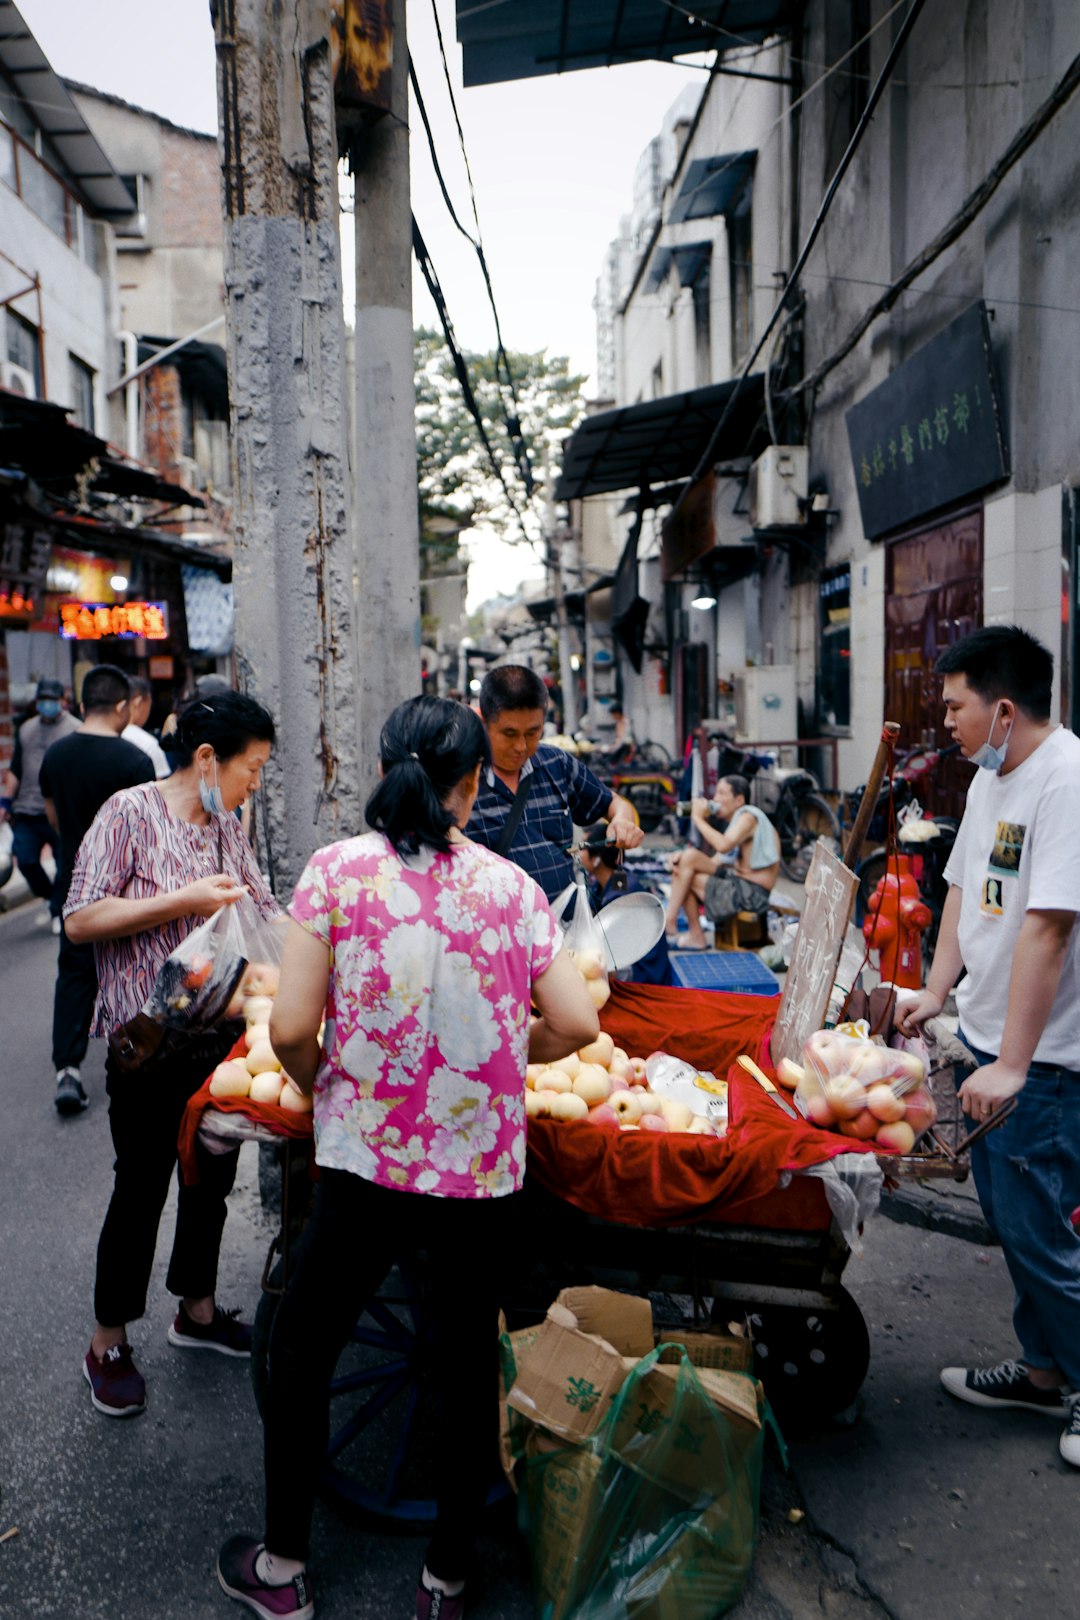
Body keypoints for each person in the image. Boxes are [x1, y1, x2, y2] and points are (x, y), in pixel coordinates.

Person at [216, 694, 598, 1620]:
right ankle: (449, 1579)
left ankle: (282, 1568)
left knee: (305, 1352)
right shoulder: (509, 887)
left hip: (365, 1162)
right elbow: (579, 1021)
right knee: (467, 1365)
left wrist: (320, 1083)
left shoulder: (337, 873)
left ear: (387, 768)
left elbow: (296, 1026)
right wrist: (510, 1050)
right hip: (477, 1174)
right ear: (471, 785)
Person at [64, 690, 281, 1419]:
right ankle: (107, 1342)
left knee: (210, 1176)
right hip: (147, 1044)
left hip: (216, 1040)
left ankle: (197, 1310)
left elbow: (262, 906)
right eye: (252, 769)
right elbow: (81, 919)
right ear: (208, 758)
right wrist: (183, 901)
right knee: (141, 1188)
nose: (256, 784)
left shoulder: (227, 825)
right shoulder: (128, 812)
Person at [895, 625, 1080, 1470]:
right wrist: (936, 995)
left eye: (957, 705)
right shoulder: (989, 779)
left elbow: (1047, 928)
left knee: (1039, 1227)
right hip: (986, 1036)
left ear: (1004, 709)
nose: (948, 721)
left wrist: (1011, 1061)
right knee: (1015, 1219)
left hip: (1044, 1058)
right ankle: (1042, 1370)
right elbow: (965, 887)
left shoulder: (1066, 780)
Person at [39, 665, 156, 1115]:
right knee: (131, 970)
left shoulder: (56, 756)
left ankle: (67, 1070)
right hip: (125, 889)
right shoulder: (134, 763)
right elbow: (147, 832)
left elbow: (53, 818)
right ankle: (134, 1057)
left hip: (74, 882)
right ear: (123, 706)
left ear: (83, 703)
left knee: (73, 974)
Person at [465, 664, 644, 903]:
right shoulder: (464, 780)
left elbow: (614, 803)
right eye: (509, 734)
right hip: (499, 932)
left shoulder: (557, 764)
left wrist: (622, 821)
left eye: (532, 733)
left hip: (564, 929)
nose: (521, 746)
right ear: (484, 723)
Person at [0, 677, 81, 931]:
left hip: (60, 810)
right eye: (43, 700)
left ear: (62, 702)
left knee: (62, 865)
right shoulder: (26, 729)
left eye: (52, 700)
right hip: (27, 809)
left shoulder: (75, 729)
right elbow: (16, 769)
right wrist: (5, 802)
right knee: (25, 860)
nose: (47, 704)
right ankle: (49, 898)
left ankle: (58, 909)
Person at [664, 775, 780, 947]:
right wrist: (680, 858)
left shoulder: (748, 817)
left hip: (752, 895)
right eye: (715, 793)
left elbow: (723, 846)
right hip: (739, 886)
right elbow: (715, 861)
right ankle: (675, 924)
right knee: (686, 862)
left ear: (739, 799)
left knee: (686, 869)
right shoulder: (738, 822)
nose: (715, 799)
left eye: (721, 793)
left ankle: (675, 925)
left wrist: (697, 818)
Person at [579, 823, 672, 985]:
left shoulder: (620, 896)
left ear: (596, 859)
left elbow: (616, 958)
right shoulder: (609, 882)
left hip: (644, 974)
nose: (578, 853)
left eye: (583, 848)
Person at [122, 674, 171, 779]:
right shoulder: (149, 744)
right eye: (149, 704)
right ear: (138, 702)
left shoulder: (104, 738)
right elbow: (158, 790)